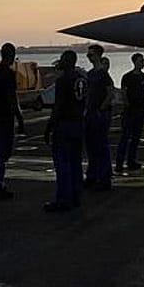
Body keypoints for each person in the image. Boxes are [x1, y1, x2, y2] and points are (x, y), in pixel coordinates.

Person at [43, 49, 87, 212]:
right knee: (76, 163)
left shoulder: (63, 81)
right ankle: (76, 196)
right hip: (78, 124)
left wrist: (49, 127)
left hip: (65, 125)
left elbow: (58, 106)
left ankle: (63, 200)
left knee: (62, 164)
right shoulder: (82, 80)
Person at [0, 42, 26, 201]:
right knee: (2, 152)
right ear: (11, 55)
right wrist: (20, 117)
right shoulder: (8, 74)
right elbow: (11, 97)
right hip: (5, 118)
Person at [83, 48, 115, 191]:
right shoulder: (90, 74)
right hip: (90, 113)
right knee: (91, 146)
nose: (88, 57)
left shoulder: (103, 75)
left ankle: (105, 177)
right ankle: (92, 175)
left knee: (101, 145)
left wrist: (101, 109)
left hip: (99, 114)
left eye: (91, 54)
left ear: (97, 56)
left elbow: (110, 94)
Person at [116, 52, 144, 173]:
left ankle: (131, 161)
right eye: (140, 61)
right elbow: (123, 92)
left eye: (143, 61)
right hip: (130, 111)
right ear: (135, 62)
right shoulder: (127, 77)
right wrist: (127, 105)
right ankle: (119, 162)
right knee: (125, 137)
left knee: (136, 138)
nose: (143, 63)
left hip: (140, 110)